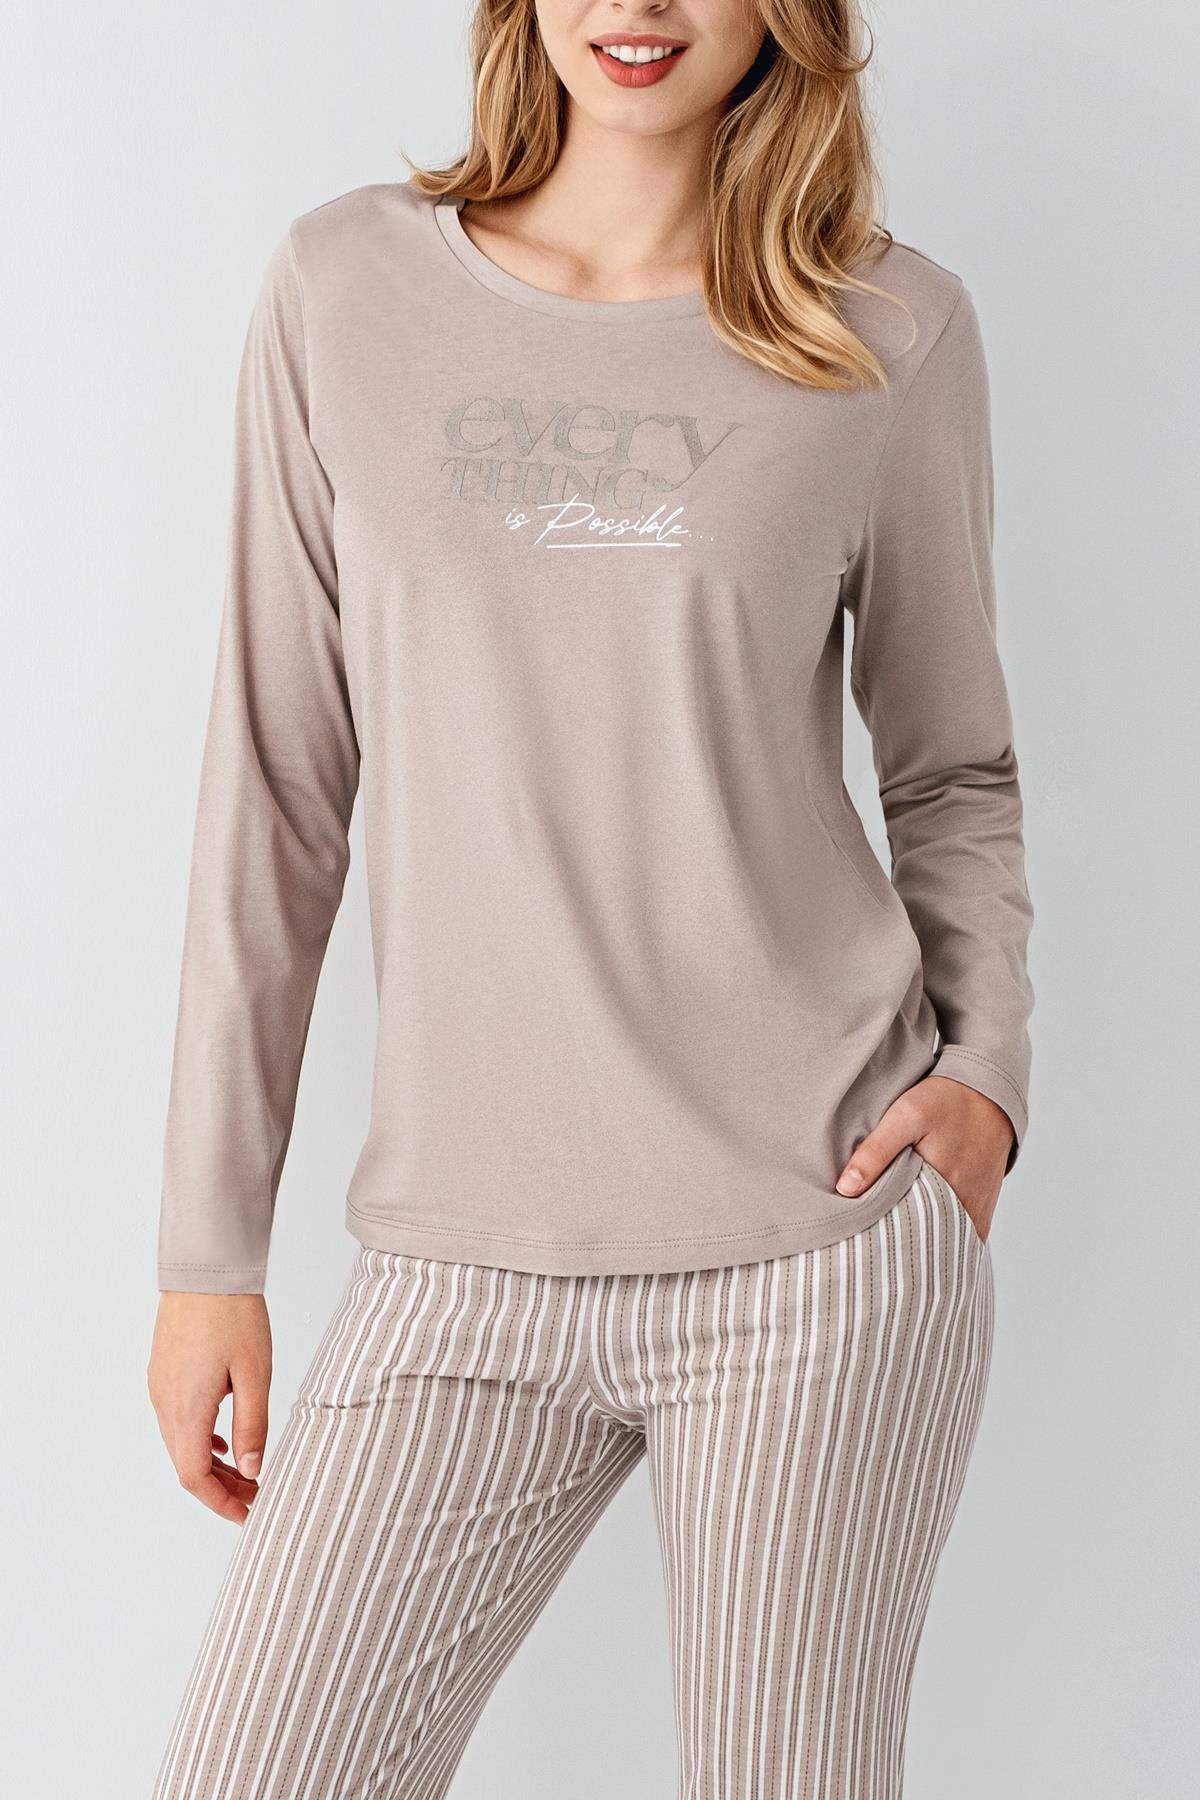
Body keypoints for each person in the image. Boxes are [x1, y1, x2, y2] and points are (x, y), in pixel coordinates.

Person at [147, 2, 1035, 1794]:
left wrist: (989, 1080)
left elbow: (952, 769)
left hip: (819, 1251)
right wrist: (205, 1257)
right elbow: (277, 792)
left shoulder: (887, 326)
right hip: (458, 1264)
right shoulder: (345, 289)